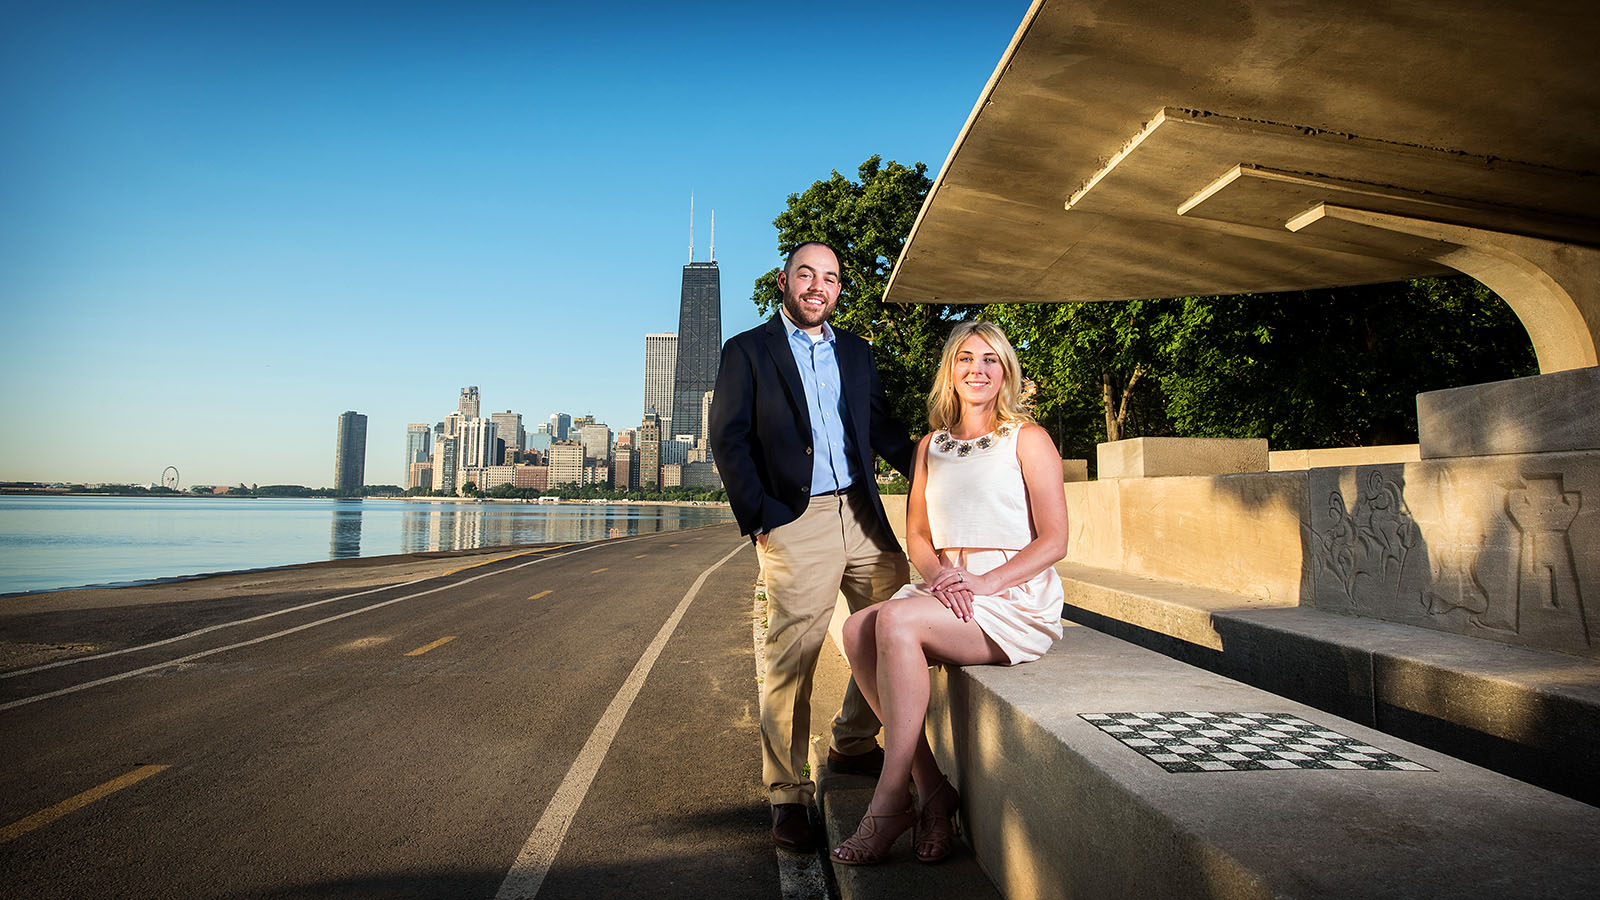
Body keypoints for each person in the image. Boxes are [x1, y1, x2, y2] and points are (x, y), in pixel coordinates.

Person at [829, 320, 1068, 866]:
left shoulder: (1026, 438)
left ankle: (890, 802)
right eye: (966, 359)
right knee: (855, 628)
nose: (977, 370)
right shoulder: (929, 446)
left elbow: (1056, 539)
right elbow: (918, 534)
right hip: (947, 587)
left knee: (893, 621)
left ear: (1005, 369)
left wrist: (984, 582)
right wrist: (939, 576)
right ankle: (932, 789)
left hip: (1010, 597)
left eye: (990, 359)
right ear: (950, 372)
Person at [708, 240, 917, 853]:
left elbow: (880, 429)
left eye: (829, 277)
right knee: (790, 661)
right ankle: (787, 795)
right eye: (806, 274)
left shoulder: (857, 352)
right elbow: (729, 437)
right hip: (796, 519)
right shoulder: (747, 350)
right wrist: (762, 518)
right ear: (784, 281)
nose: (817, 286)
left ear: (839, 289)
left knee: (895, 629)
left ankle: (852, 742)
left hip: (864, 513)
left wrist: (942, 461)